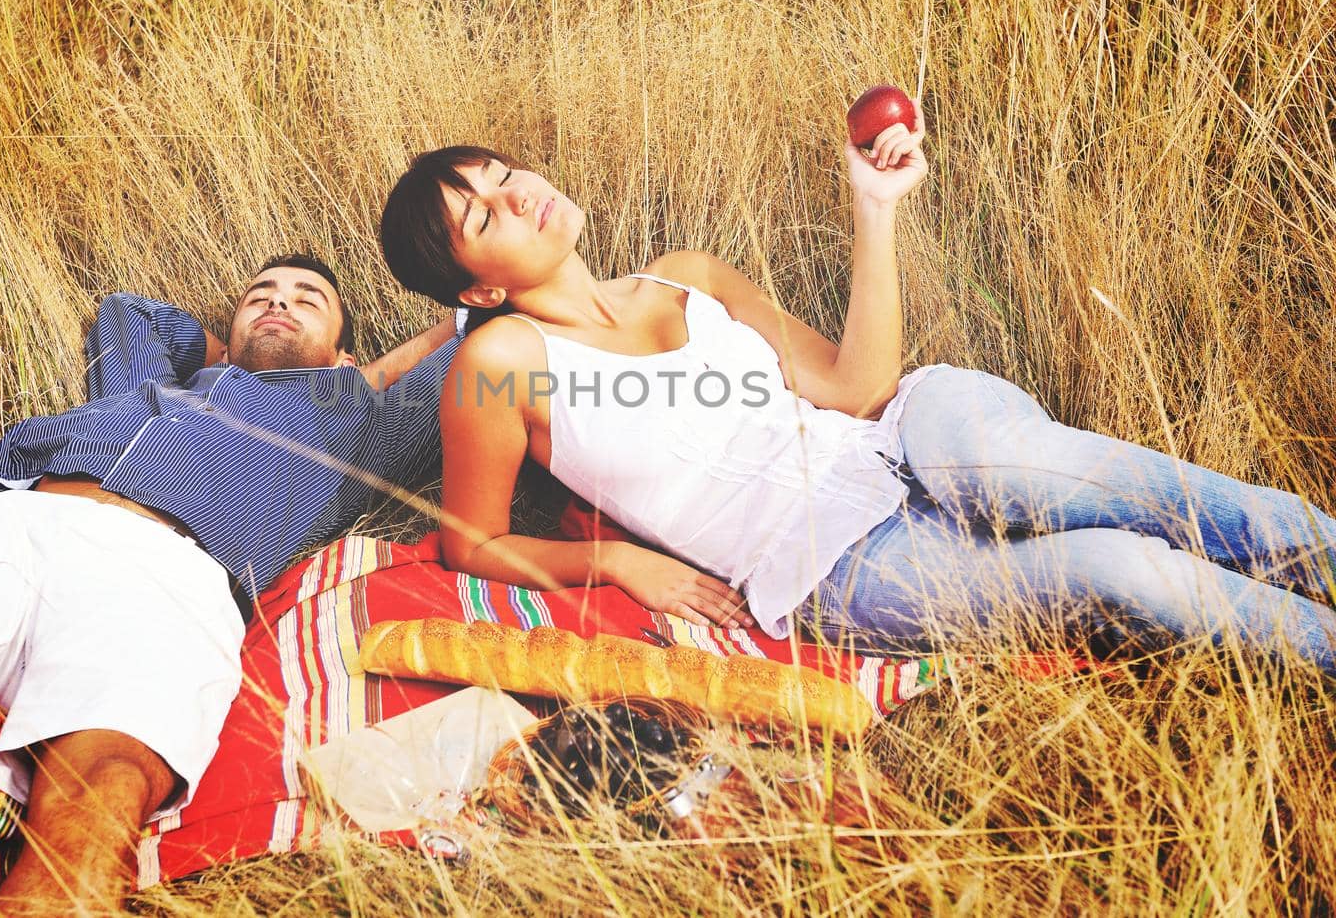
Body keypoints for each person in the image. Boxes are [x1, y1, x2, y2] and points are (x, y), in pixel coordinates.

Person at [377, 121, 1336, 680]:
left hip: (911, 428)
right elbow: (472, 542)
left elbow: (857, 386)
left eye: (506, 176)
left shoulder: (687, 276)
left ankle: (1319, 545)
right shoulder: (500, 359)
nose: (518, 196)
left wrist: (872, 208)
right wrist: (619, 561)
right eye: (483, 215)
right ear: (477, 289)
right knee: (1120, 571)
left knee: (1029, 475)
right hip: (832, 560)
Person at [0, 254, 462, 913]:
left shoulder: (353, 427)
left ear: (345, 355)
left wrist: (363, 379)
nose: (278, 300)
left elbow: (479, 349)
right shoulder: (140, 382)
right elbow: (132, 312)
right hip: (15, 525)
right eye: (261, 294)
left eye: (307, 300)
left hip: (161, 587)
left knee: (93, 817)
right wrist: (237, 357)